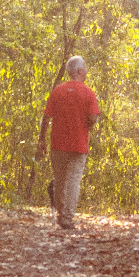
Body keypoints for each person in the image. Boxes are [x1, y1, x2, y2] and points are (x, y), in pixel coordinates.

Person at [38, 55, 101, 230]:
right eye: (86, 68)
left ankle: (60, 215)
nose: (87, 71)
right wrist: (91, 122)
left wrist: (42, 139)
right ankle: (67, 217)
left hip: (58, 143)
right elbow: (92, 118)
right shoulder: (88, 92)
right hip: (79, 145)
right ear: (80, 71)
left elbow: (46, 116)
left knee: (59, 180)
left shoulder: (57, 91)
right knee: (73, 180)